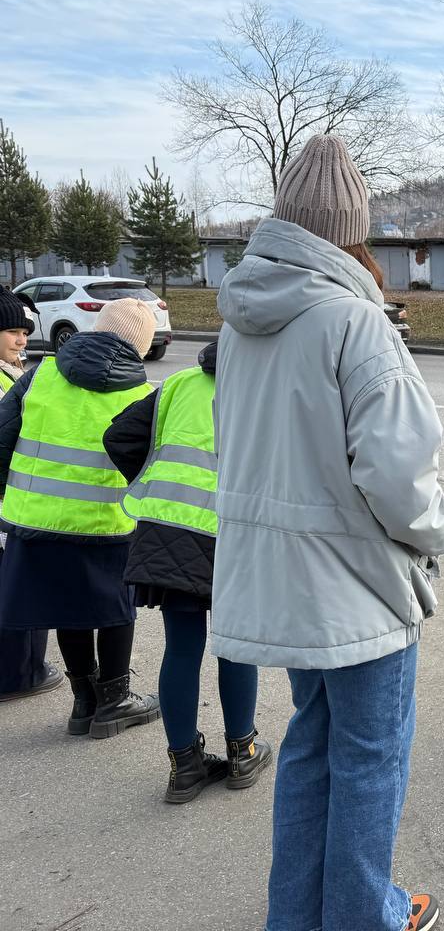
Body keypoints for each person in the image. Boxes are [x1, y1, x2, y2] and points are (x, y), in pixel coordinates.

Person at [212, 134, 444, 931]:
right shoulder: (353, 321)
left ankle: (300, 917)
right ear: (351, 231)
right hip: (357, 593)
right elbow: (398, 479)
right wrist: (441, 530)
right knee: (370, 761)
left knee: (313, 748)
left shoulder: (242, 323)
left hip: (283, 588)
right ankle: (363, 918)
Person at [103, 338, 272, 803]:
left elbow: (118, 437)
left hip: (169, 529)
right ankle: (243, 751)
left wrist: (154, 481)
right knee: (236, 645)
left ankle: (185, 768)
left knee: (181, 648)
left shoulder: (177, 383)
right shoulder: (265, 387)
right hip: (236, 534)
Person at [0, 298, 160, 738]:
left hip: (39, 518)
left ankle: (83, 701)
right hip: (106, 522)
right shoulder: (141, 394)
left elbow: (2, 436)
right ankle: (114, 700)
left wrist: (5, 501)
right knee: (114, 609)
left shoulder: (40, 376)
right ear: (140, 347)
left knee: (67, 606)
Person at [0, 290, 62, 702]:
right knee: (16, 586)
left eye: (24, 331)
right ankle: (20, 673)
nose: (21, 340)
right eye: (11, 331)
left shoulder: (11, 370)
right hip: (9, 500)